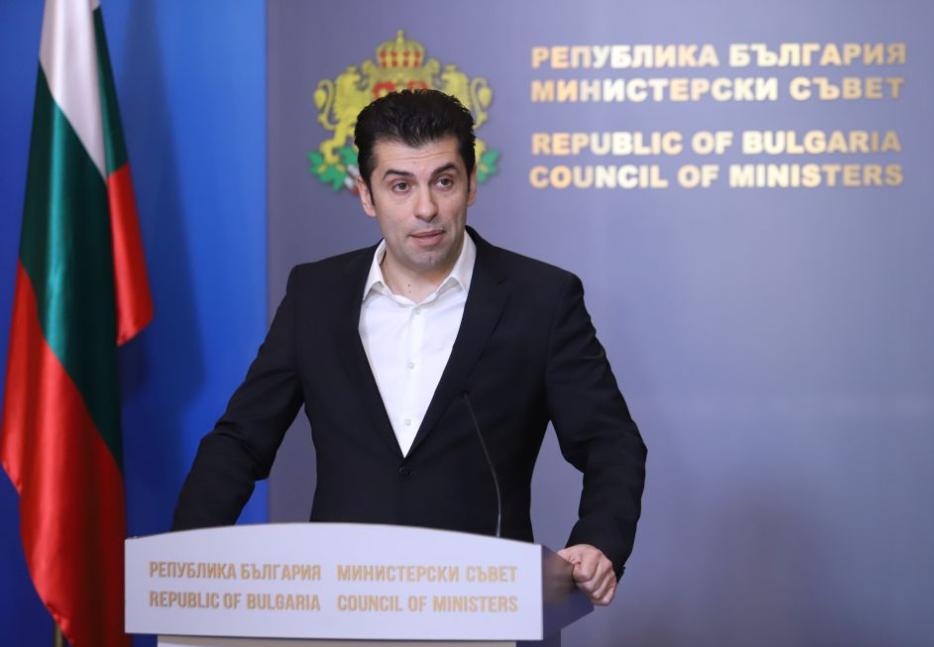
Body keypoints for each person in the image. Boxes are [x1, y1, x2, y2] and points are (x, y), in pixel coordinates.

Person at [173, 89, 646, 606]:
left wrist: (599, 540)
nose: (426, 208)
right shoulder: (316, 294)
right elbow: (241, 440)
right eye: (401, 186)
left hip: (487, 603)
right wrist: (185, 559)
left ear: (470, 184)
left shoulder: (541, 298)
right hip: (338, 604)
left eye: (444, 181)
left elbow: (610, 441)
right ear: (366, 195)